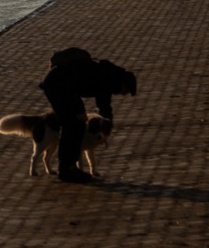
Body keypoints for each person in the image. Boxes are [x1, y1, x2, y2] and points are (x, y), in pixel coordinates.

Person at [39, 48, 137, 183]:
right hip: (57, 86)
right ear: (124, 84)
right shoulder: (105, 76)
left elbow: (104, 106)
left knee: (76, 125)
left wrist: (107, 126)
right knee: (71, 125)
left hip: (61, 86)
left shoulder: (108, 78)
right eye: (125, 91)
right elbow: (71, 84)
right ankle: (67, 169)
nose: (121, 94)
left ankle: (70, 167)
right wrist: (79, 110)